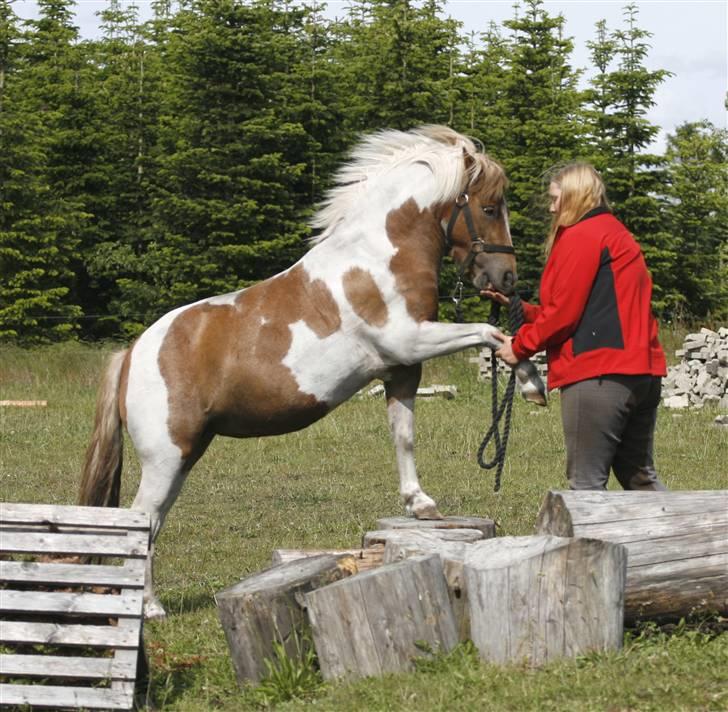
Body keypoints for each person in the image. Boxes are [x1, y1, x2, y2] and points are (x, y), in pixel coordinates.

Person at [488, 162, 668, 491]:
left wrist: (519, 346)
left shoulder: (581, 236)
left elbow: (564, 315)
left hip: (599, 375)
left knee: (585, 487)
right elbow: (591, 308)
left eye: (556, 198)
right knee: (639, 479)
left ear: (575, 197)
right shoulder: (614, 233)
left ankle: (589, 544)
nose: (551, 206)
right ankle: (678, 542)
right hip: (641, 373)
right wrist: (523, 311)